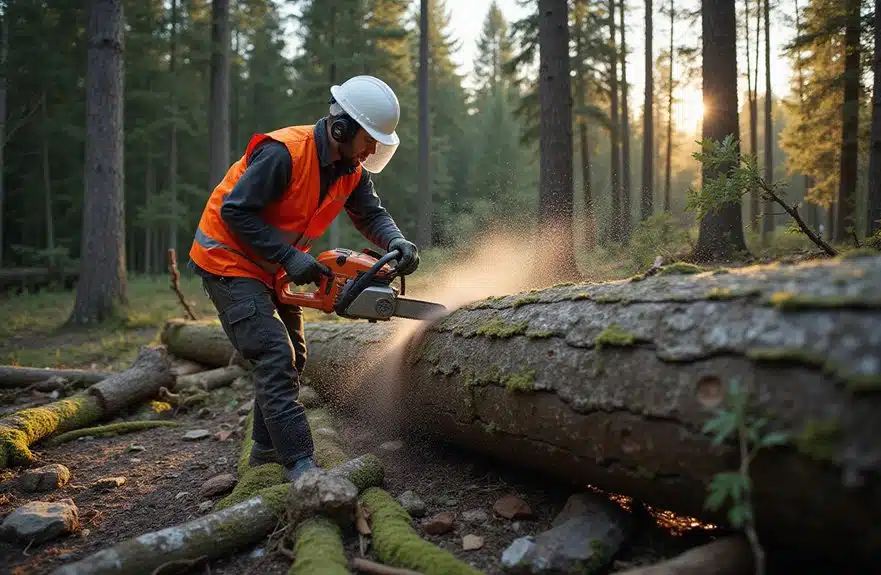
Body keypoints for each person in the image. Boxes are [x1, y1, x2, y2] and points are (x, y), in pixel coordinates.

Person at [188, 75, 420, 481]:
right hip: (227, 260)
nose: (371, 150)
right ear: (342, 127)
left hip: (272, 265)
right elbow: (235, 212)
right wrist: (289, 257)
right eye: (369, 139)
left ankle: (264, 451)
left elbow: (371, 214)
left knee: (295, 354)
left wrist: (397, 241)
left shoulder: (351, 169)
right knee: (274, 354)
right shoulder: (285, 154)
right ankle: (302, 466)